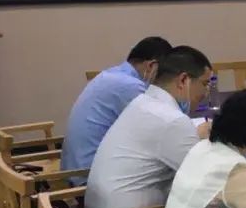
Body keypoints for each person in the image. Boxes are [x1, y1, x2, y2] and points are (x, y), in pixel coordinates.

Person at [84, 46, 212, 208]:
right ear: (183, 80)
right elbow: (206, 180)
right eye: (205, 84)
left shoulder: (142, 102)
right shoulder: (172, 120)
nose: (206, 93)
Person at [61, 36, 172, 179]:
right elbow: (160, 128)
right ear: (152, 66)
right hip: (87, 177)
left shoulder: (111, 74)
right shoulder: (131, 86)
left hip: (74, 167)